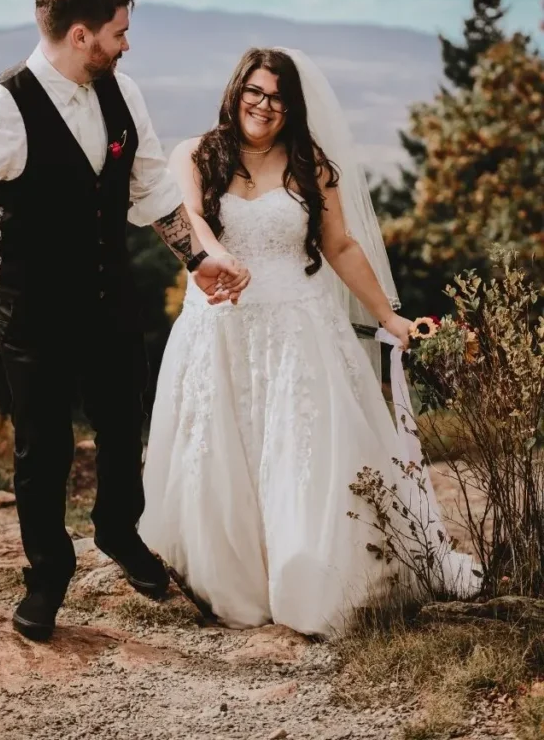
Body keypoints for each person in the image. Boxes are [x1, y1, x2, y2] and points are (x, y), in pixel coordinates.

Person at [0, 0, 250, 642]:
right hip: (30, 312)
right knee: (45, 448)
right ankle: (46, 577)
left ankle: (118, 533)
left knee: (124, 426)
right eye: (120, 34)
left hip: (110, 300)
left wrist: (198, 260)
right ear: (80, 34)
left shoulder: (122, 92)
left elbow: (151, 192)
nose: (127, 46)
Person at [140, 46, 477, 635]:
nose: (263, 105)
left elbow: (341, 246)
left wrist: (388, 316)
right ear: (236, 89)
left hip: (298, 330)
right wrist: (215, 255)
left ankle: (304, 577)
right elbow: (188, 217)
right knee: (222, 453)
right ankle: (233, 584)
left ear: (291, 106)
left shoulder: (309, 166)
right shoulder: (195, 154)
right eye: (255, 91)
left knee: (300, 455)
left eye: (276, 96)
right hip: (218, 327)